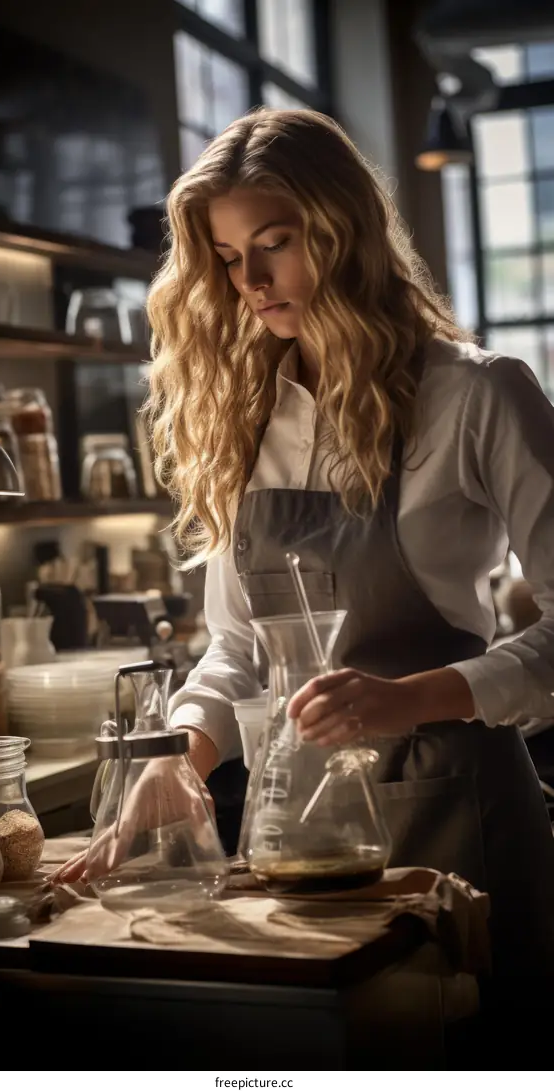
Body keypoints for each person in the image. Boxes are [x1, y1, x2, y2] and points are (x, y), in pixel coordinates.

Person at [54, 108, 554, 981]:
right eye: (226, 257)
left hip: (460, 820)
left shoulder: (478, 395)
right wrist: (182, 757)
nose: (250, 279)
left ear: (342, 228)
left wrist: (407, 698)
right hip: (302, 837)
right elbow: (240, 649)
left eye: (274, 243)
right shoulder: (246, 417)